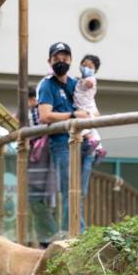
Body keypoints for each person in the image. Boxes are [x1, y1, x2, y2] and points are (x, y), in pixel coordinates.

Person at [37, 42, 94, 233]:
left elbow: (89, 105)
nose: (61, 62)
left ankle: (75, 231)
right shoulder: (46, 85)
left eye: (65, 58)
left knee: (81, 192)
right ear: (49, 61)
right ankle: (73, 234)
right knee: (70, 190)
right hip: (62, 143)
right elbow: (45, 116)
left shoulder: (74, 83)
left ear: (70, 60)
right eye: (57, 59)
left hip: (85, 142)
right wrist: (72, 116)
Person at [27, 87, 57, 245]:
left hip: (45, 162)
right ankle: (45, 240)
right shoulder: (31, 113)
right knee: (36, 204)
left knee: (41, 204)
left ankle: (52, 239)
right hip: (36, 165)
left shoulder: (37, 113)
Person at [74, 54, 106, 164]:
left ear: (95, 70)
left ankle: (91, 140)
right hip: (88, 106)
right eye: (83, 65)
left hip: (85, 108)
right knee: (93, 129)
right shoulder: (80, 79)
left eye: (90, 67)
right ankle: (99, 149)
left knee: (82, 124)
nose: (86, 68)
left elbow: (90, 84)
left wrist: (85, 81)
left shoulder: (90, 79)